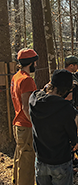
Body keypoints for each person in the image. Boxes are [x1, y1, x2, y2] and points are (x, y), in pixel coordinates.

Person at [29, 69, 78, 185]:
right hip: (61, 161)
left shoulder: (34, 100)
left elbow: (39, 92)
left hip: (41, 160)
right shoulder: (66, 108)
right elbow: (73, 134)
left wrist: (47, 88)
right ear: (67, 90)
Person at [10, 48, 38, 185]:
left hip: (17, 123)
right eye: (35, 62)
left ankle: (16, 181)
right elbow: (26, 107)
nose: (36, 65)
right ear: (30, 62)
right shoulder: (27, 80)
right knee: (27, 161)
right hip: (26, 125)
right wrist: (35, 124)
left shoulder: (16, 76)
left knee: (19, 157)